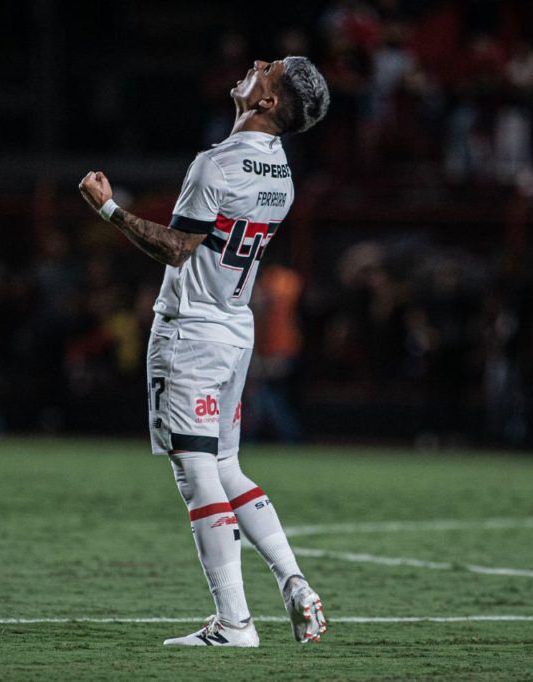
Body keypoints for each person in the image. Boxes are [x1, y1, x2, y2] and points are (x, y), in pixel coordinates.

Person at [79, 57, 330, 648]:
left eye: (269, 71)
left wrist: (108, 209)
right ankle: (294, 582)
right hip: (233, 329)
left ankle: (236, 623)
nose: (256, 66)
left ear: (267, 103)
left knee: (195, 473)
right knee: (224, 466)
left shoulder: (216, 163)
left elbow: (177, 248)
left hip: (191, 331)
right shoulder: (282, 175)